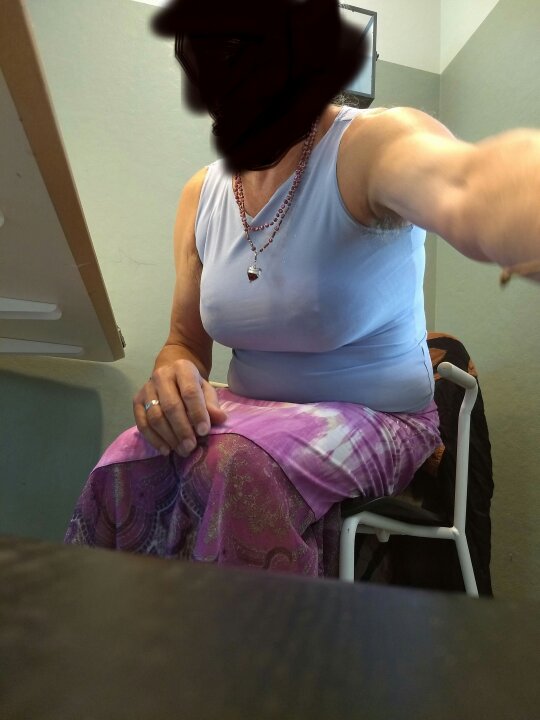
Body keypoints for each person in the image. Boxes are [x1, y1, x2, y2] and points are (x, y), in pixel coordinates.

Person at [65, 0, 540, 576]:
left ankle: (270, 635)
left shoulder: (369, 145)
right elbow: (184, 341)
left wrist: (513, 206)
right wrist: (174, 375)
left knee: (236, 468)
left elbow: (468, 183)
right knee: (128, 460)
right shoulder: (202, 194)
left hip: (380, 417)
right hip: (252, 414)